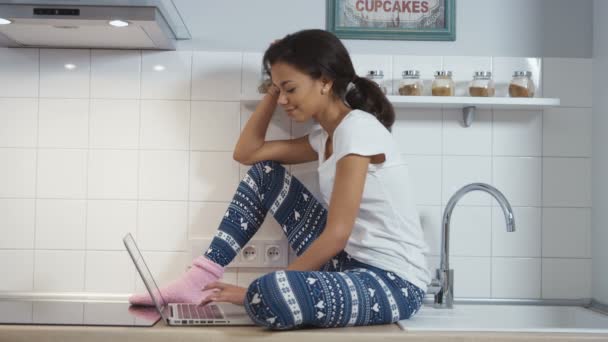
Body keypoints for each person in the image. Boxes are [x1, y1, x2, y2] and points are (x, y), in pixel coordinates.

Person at [129, 29, 431, 330]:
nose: (283, 99)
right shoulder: (323, 136)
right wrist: (275, 87)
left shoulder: (358, 129)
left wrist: (266, 287)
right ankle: (198, 279)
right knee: (265, 174)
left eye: (290, 89)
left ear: (325, 82)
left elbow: (337, 233)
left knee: (270, 294)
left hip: (394, 282)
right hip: (347, 264)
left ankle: (262, 291)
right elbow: (248, 153)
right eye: (277, 90)